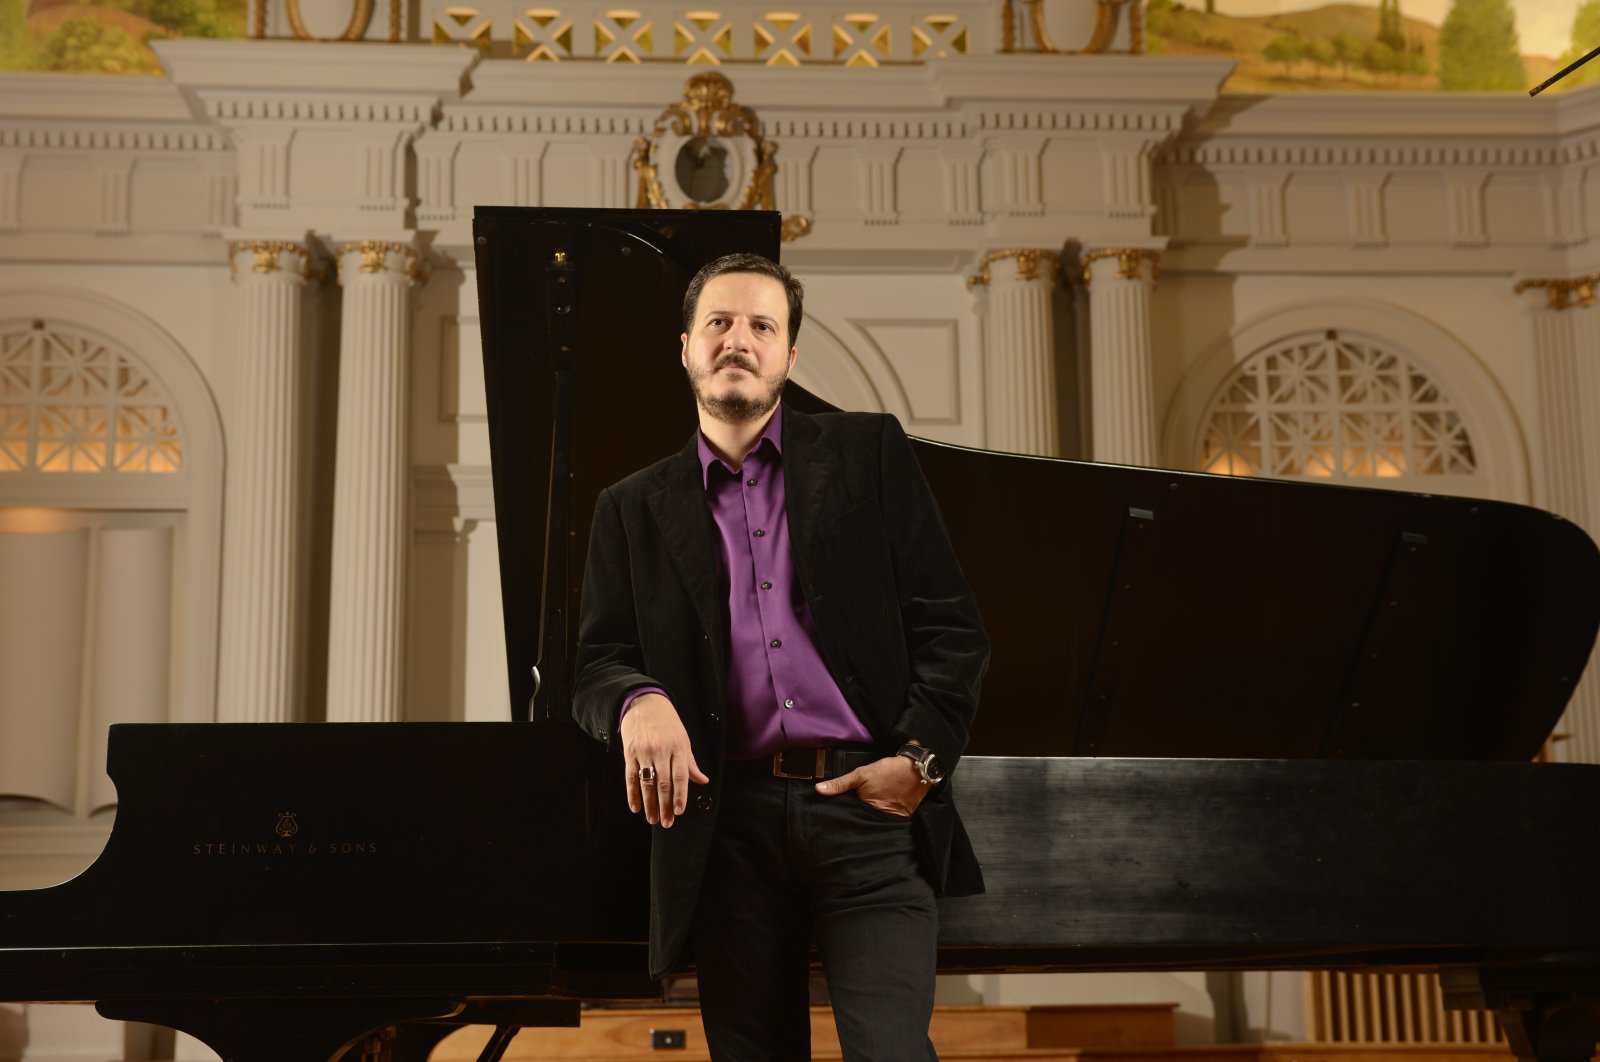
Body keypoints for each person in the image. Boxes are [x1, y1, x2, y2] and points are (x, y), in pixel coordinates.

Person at [572, 252, 988, 1061]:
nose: (739, 340)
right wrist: (637, 699)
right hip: (730, 829)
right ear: (687, 348)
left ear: (789, 356)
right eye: (720, 323)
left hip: (870, 809)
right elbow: (596, 665)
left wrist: (919, 760)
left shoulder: (868, 456)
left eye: (762, 326)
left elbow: (953, 629)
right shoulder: (629, 509)